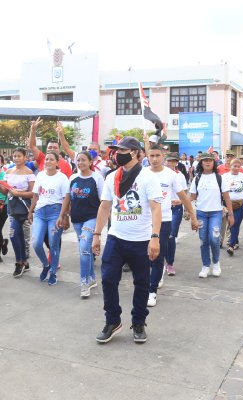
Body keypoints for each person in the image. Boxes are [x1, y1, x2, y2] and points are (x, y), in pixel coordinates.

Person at [92, 136, 162, 344]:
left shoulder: (148, 177)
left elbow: (156, 207)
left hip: (141, 240)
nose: (116, 154)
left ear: (134, 152)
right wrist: (97, 234)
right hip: (116, 238)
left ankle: (139, 322)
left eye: (121, 150)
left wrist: (155, 237)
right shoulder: (111, 177)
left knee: (142, 283)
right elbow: (105, 206)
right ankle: (112, 321)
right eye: (115, 150)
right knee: (108, 280)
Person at [145, 147, 198, 306]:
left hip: (164, 219)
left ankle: (152, 291)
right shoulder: (142, 173)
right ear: (147, 157)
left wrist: (193, 217)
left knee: (157, 255)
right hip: (144, 220)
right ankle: (154, 276)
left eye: (157, 156)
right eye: (152, 156)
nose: (154, 159)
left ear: (163, 157)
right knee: (144, 256)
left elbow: (184, 197)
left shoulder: (171, 175)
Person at [58, 151, 104, 297]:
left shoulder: (97, 178)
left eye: (83, 160)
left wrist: (103, 224)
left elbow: (104, 202)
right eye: (78, 160)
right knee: (85, 250)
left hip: (92, 218)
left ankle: (84, 282)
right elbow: (67, 198)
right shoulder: (72, 178)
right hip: (76, 219)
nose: (80, 163)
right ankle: (91, 279)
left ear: (90, 162)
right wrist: (62, 216)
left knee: (84, 247)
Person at [189, 152, 235, 278]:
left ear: (214, 162)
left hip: (216, 213)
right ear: (201, 163)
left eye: (210, 160)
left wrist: (231, 214)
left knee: (214, 239)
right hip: (201, 214)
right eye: (205, 160)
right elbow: (192, 197)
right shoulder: (197, 178)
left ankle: (216, 263)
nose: (207, 162)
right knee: (203, 241)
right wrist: (185, 207)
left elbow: (226, 197)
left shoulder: (219, 178)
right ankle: (205, 266)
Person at [29, 151, 70, 285]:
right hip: (40, 212)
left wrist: (63, 216)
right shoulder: (40, 175)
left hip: (55, 213)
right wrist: (30, 211)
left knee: (53, 244)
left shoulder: (62, 178)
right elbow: (35, 195)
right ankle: (46, 265)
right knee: (36, 243)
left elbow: (66, 198)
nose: (48, 161)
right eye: (46, 159)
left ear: (57, 162)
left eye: (51, 159)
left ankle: (53, 271)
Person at [3, 147, 36, 278]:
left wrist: (18, 193)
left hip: (25, 208)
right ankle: (23, 261)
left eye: (19, 156)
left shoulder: (29, 173)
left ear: (25, 158)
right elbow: (5, 191)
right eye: (15, 156)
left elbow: (33, 193)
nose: (16, 158)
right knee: (15, 234)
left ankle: (20, 262)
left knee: (16, 234)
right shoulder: (9, 171)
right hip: (12, 207)